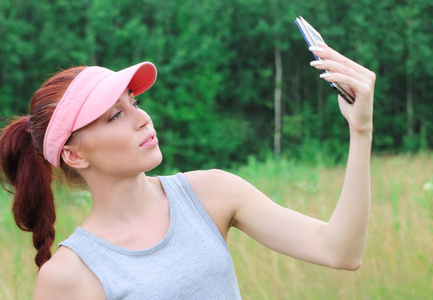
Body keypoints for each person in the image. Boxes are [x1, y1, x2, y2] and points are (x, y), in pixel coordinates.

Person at [0, 44, 375, 299]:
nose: (143, 118)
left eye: (135, 102)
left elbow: (340, 251)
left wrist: (360, 131)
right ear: (74, 155)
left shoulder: (211, 193)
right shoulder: (68, 275)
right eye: (116, 115)